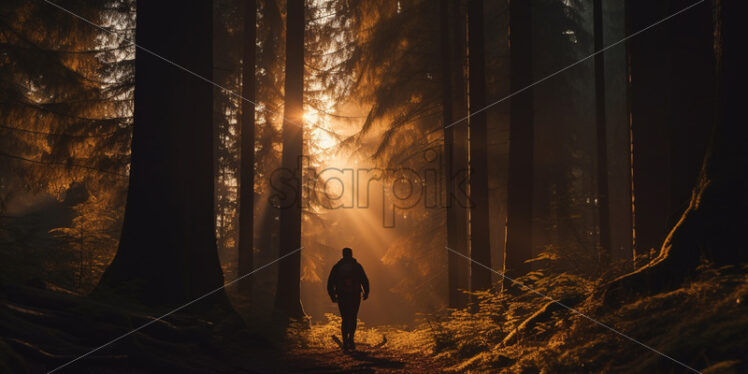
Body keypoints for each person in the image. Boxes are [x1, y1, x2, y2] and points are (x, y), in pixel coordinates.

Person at [327, 247, 369, 350]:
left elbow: (330, 283)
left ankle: (345, 341)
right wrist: (366, 292)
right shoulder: (357, 266)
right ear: (351, 254)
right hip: (355, 295)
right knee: (353, 317)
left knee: (345, 318)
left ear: (343, 254)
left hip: (342, 296)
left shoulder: (337, 267)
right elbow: (364, 280)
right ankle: (351, 340)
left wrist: (332, 296)